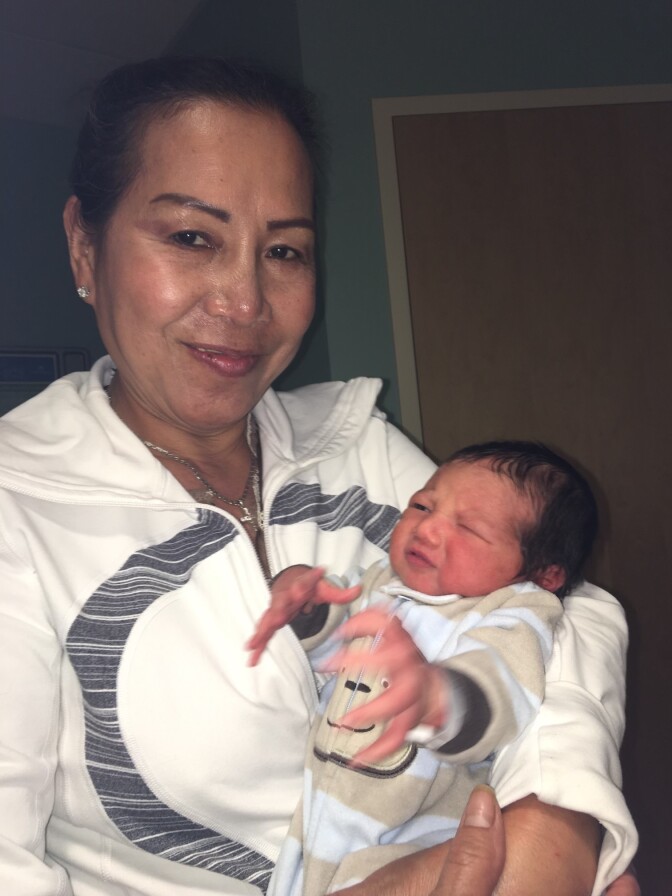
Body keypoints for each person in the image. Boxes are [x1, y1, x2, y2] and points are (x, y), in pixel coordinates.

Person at [0, 55, 637, 896]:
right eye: (193, 237)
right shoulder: (20, 499)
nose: (244, 301)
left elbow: (561, 606)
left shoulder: (354, 446)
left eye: (285, 250)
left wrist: (550, 835)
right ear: (85, 244)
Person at [249, 442, 593, 895]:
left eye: (468, 527)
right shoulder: (382, 581)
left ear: (543, 575)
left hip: (414, 839)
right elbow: (336, 651)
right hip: (316, 828)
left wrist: (434, 696)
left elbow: (504, 689)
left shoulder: (513, 610)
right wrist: (307, 606)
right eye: (422, 505)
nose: (427, 527)